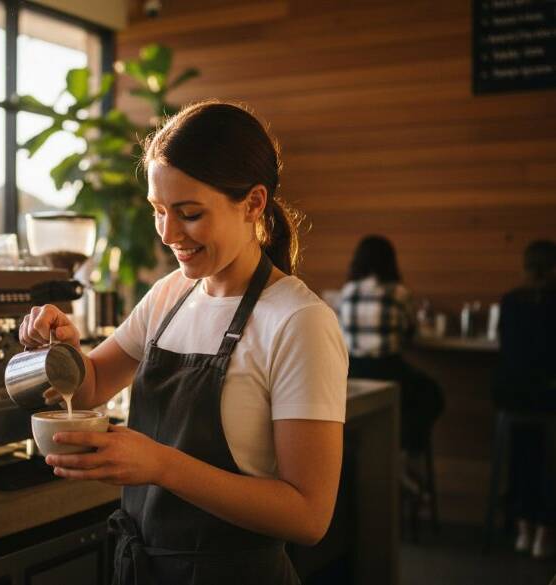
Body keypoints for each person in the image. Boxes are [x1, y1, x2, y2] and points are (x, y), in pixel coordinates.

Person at [19, 100, 348, 584]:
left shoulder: (298, 322)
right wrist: (61, 348)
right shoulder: (170, 296)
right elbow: (89, 388)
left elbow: (308, 515)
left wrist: (161, 465)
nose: (169, 234)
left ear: (253, 203)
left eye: (189, 213)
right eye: (158, 211)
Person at [337, 235, 444, 455]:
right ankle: (405, 447)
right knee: (432, 395)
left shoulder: (347, 292)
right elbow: (410, 331)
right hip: (388, 371)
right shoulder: (399, 293)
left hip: (352, 373)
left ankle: (381, 448)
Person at [493, 239, 556, 559]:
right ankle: (544, 534)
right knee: (550, 461)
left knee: (521, 454)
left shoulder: (510, 302)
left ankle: (522, 529)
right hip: (549, 397)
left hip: (512, 396)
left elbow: (504, 345)